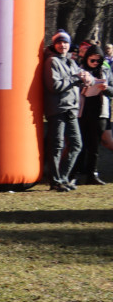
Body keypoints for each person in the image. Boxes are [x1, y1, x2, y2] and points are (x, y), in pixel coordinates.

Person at [43, 30, 94, 191]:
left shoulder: (71, 62)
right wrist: (76, 79)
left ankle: (63, 177)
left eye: (65, 42)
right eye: (59, 42)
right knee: (56, 145)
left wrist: (88, 78)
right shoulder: (51, 61)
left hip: (72, 108)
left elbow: (86, 77)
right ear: (54, 44)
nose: (62, 45)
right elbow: (55, 86)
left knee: (77, 144)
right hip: (57, 109)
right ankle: (55, 181)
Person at [75, 44, 113, 185]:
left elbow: (112, 90)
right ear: (87, 59)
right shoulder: (79, 70)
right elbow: (71, 87)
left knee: (94, 145)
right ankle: (76, 174)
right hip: (82, 111)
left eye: (98, 60)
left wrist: (106, 88)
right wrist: (81, 87)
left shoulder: (105, 70)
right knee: (80, 144)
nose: (96, 63)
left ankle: (92, 174)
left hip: (100, 111)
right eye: (93, 60)